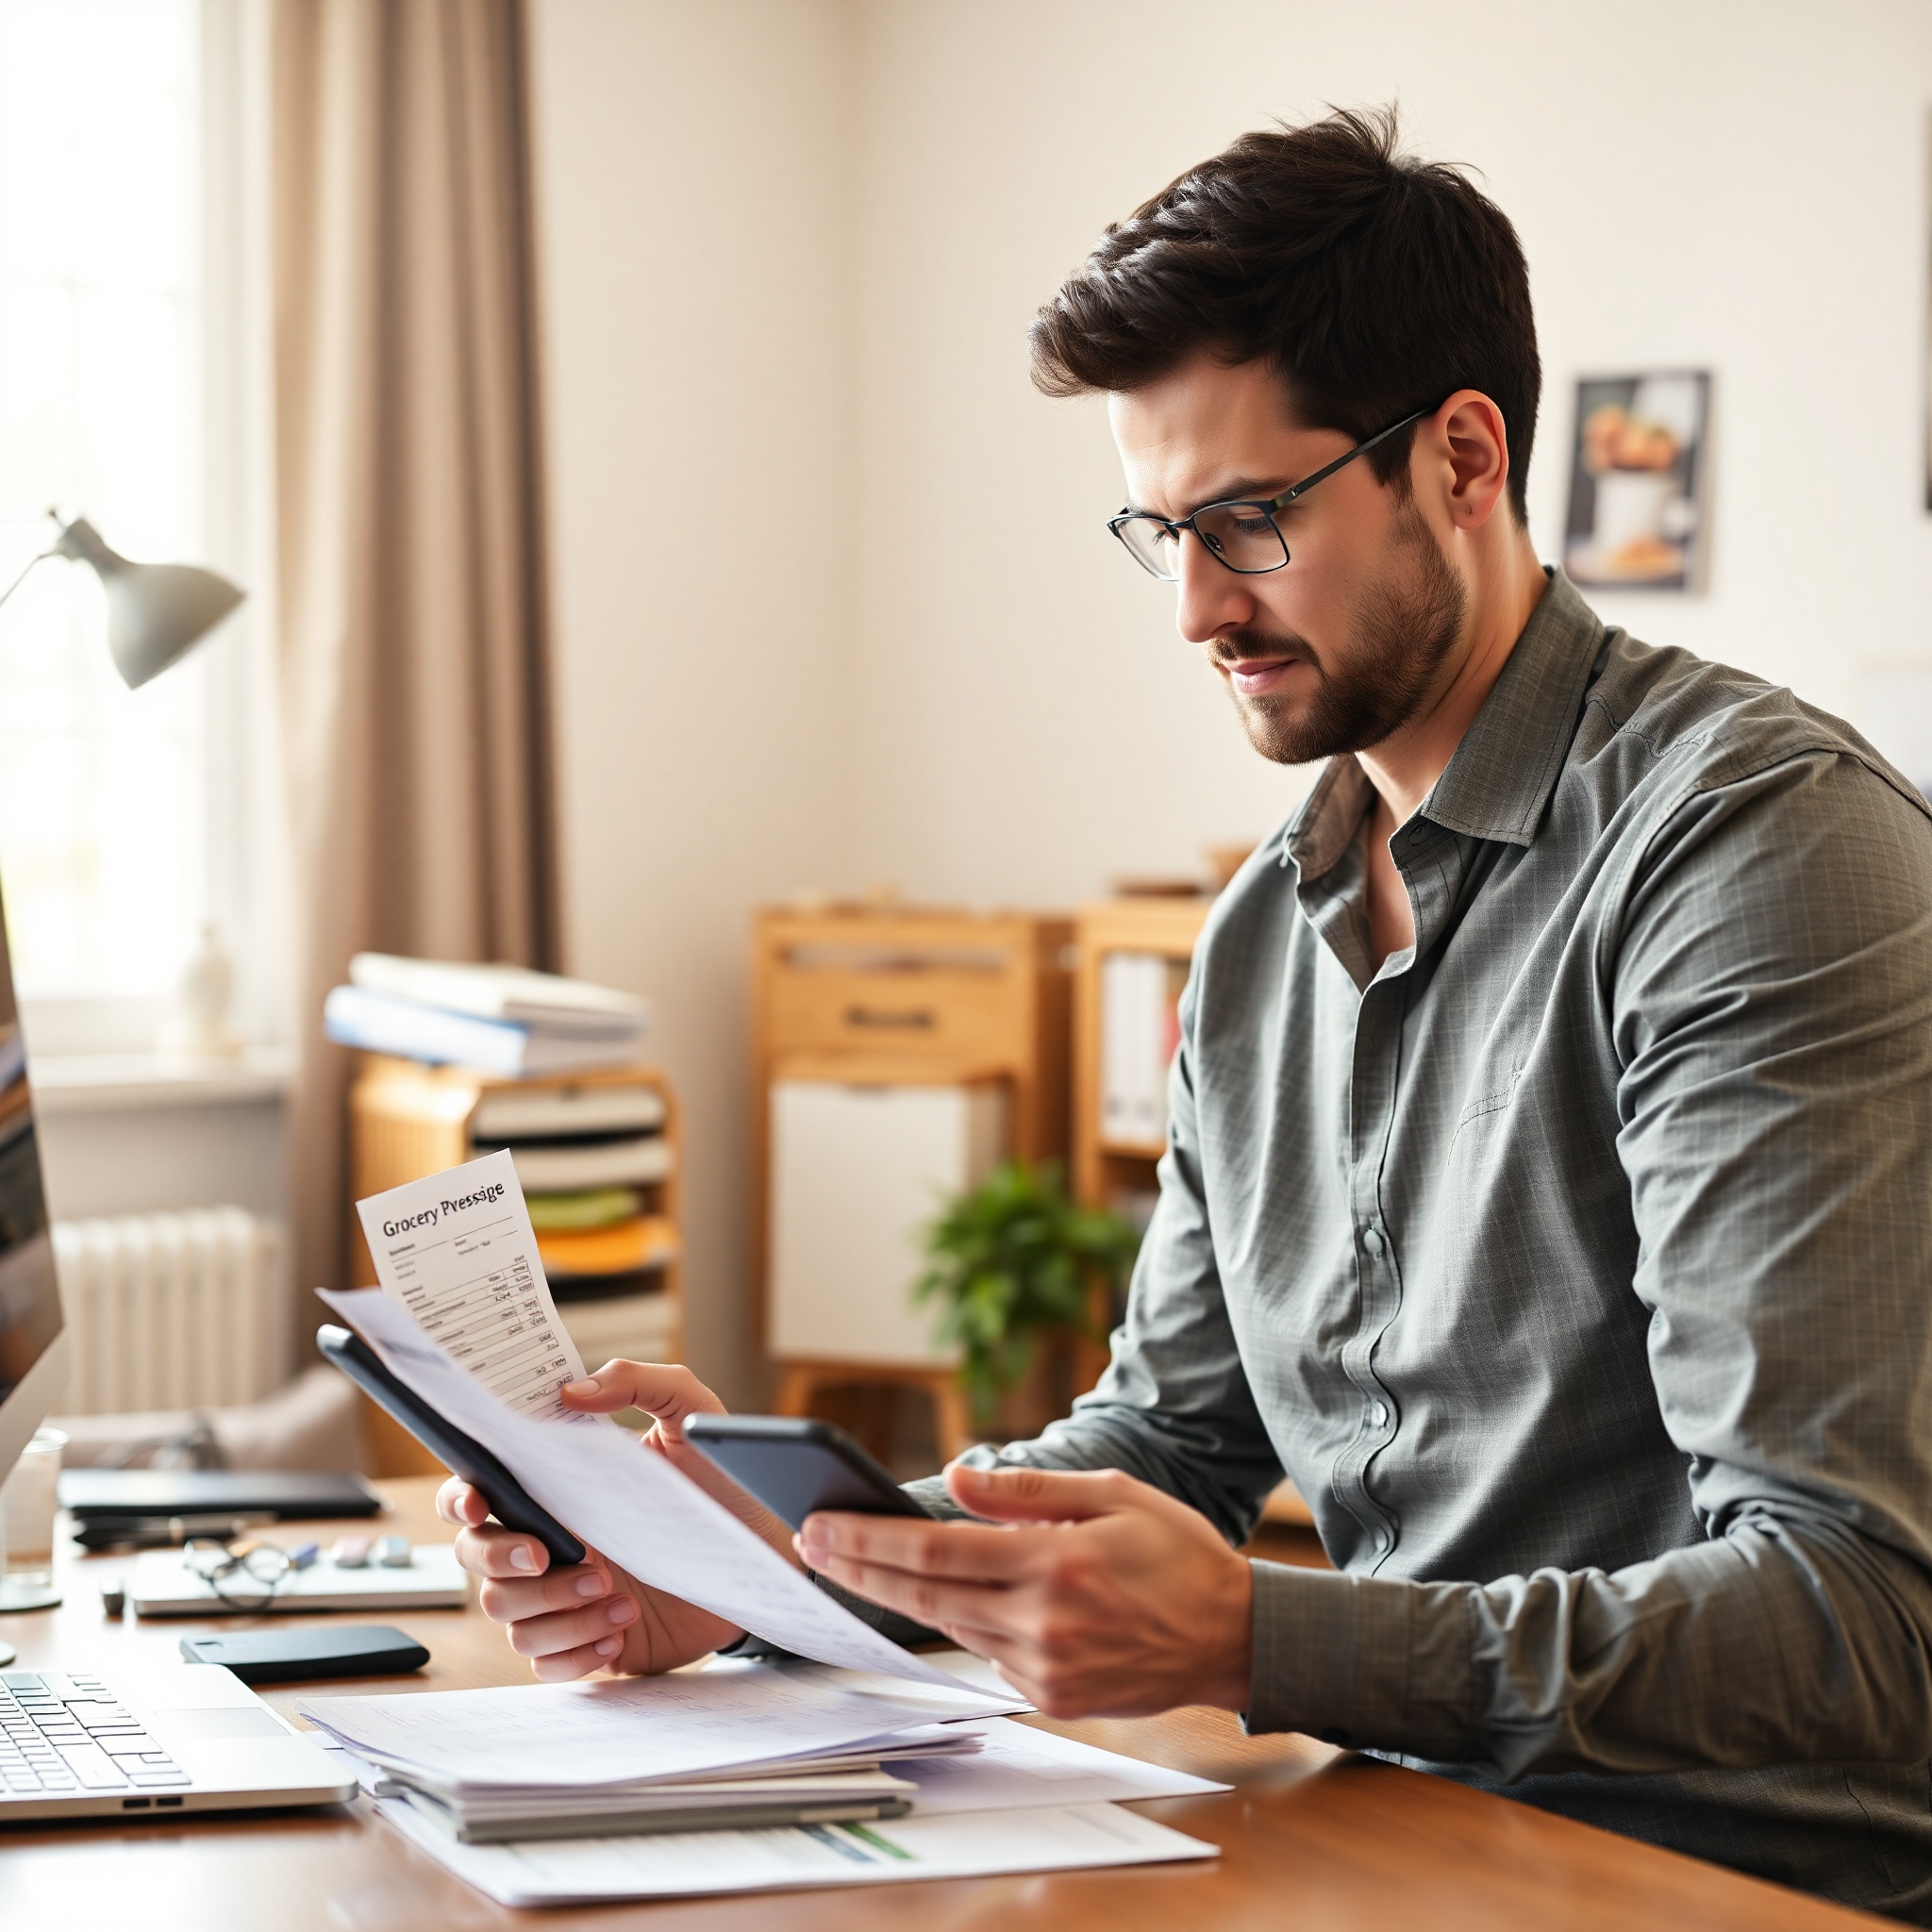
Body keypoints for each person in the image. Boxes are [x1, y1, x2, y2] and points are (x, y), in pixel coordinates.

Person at [441, 108, 1932, 1921]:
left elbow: (1853, 1610)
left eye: (1250, 520)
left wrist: (1260, 1639)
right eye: (1164, 531)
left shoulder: (1756, 855)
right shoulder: (1257, 932)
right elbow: (1165, 1441)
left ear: (1463, 458)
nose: (1199, 610)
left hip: (1720, 1880)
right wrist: (767, 1561)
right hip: (1396, 1835)